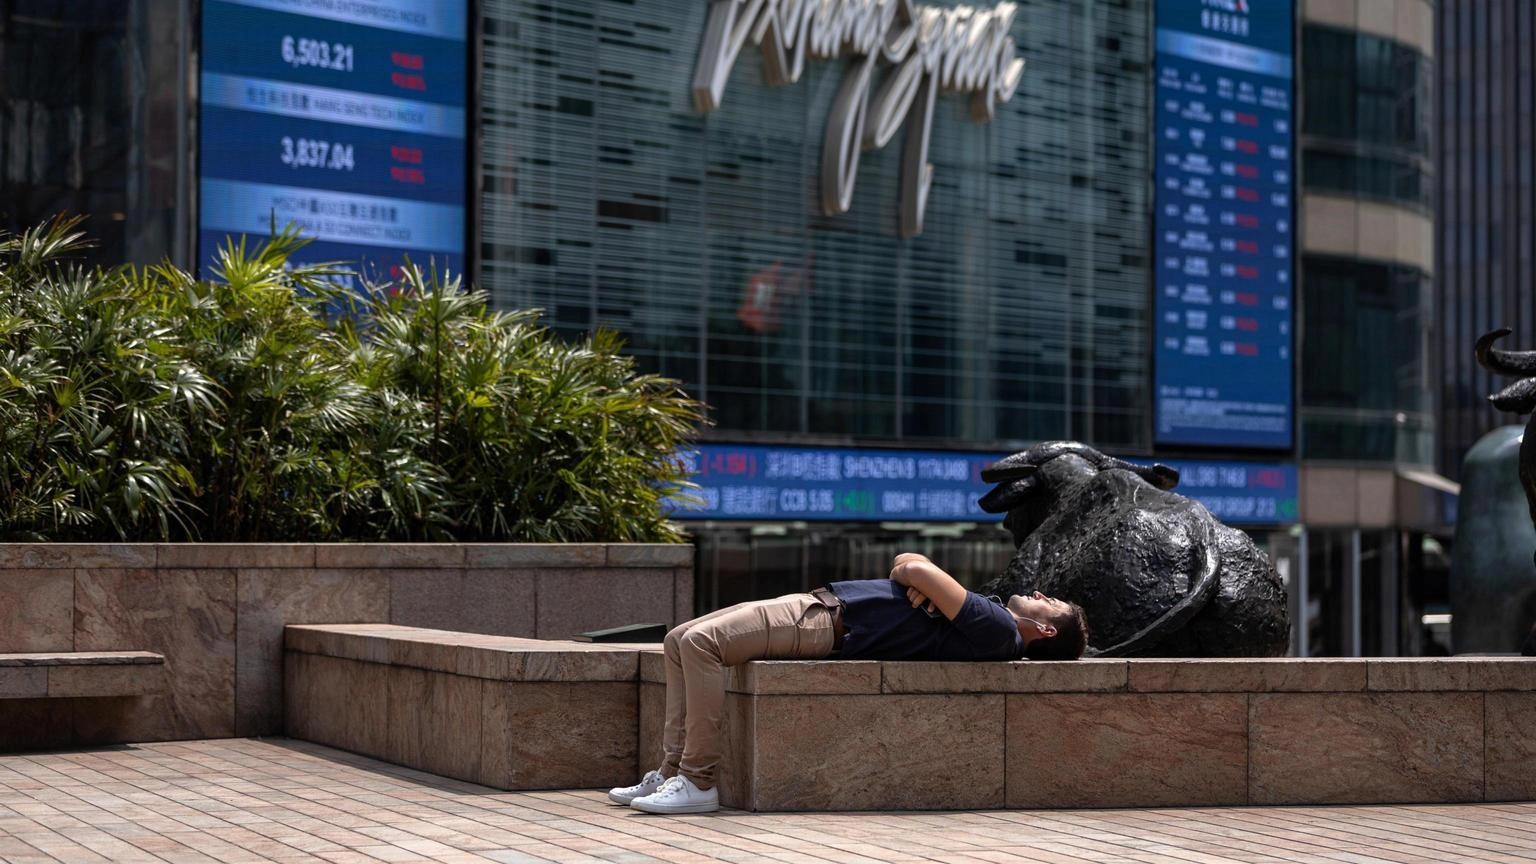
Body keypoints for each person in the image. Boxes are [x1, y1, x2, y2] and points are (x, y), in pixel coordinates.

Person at [610, 552, 1089, 814]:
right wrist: (916, 577)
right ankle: (671, 772)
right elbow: (907, 559)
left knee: (699, 645)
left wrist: (917, 579)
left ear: (1046, 631)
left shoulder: (1000, 626)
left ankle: (697, 781)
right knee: (678, 639)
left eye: (1053, 604)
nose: (1042, 593)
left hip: (823, 624)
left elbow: (912, 567)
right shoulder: (990, 618)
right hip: (819, 609)